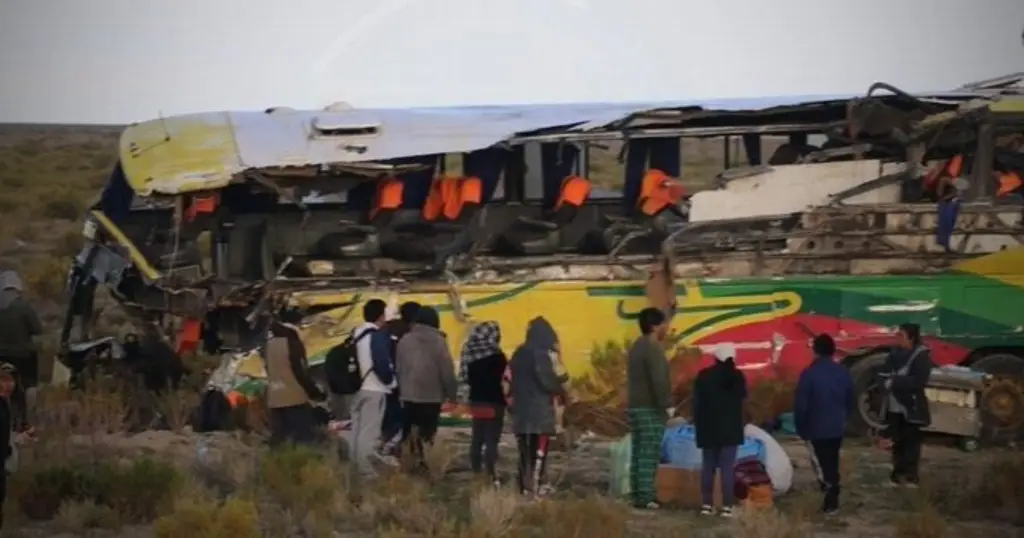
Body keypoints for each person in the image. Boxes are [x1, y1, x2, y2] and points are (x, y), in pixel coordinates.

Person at [794, 334, 855, 516]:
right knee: (832, 460)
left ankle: (831, 500)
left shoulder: (809, 374)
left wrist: (801, 427)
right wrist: (845, 418)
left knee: (822, 464)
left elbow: (801, 405)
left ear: (815, 351)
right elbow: (850, 398)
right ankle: (832, 493)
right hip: (836, 426)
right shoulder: (842, 372)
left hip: (816, 427)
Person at [508, 317, 568, 497]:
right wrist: (560, 389)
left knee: (525, 451)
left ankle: (523, 485)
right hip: (538, 410)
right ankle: (535, 486)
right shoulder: (540, 354)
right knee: (539, 450)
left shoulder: (519, 352)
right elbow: (547, 380)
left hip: (520, 409)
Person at [396, 305, 457, 472]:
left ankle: (408, 464)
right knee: (427, 435)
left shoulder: (404, 340)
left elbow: (399, 369)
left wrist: (402, 391)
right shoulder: (439, 341)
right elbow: (447, 371)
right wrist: (452, 395)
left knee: (409, 433)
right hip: (431, 397)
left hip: (408, 396)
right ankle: (425, 465)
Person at [625, 307, 673, 510]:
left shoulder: (636, 346)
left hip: (635, 406)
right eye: (664, 324)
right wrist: (667, 404)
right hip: (650, 408)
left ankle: (637, 492)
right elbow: (659, 380)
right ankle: (646, 497)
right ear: (655, 326)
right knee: (649, 452)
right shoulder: (653, 349)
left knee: (638, 450)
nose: (666, 328)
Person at [692, 343, 747, 518]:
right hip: (731, 430)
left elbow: (696, 402)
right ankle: (727, 507)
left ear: (715, 357)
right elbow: (743, 402)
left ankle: (706, 505)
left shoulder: (704, 376)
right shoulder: (738, 377)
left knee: (708, 467)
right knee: (727, 469)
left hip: (707, 428)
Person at [264, 311, 326, 447]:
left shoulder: (269, 343)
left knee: (281, 443)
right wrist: (315, 393)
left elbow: (268, 369)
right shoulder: (292, 341)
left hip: (274, 399)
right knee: (304, 442)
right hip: (294, 399)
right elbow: (300, 372)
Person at [349, 298, 397, 477]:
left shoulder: (357, 334)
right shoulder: (376, 336)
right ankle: (366, 472)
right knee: (369, 432)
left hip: (359, 387)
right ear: (381, 315)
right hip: (375, 389)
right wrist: (390, 381)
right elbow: (381, 363)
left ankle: (354, 466)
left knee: (356, 430)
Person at [882, 323, 933, 488]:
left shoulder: (921, 357)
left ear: (911, 338)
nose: (898, 339)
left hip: (911, 406)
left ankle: (911, 477)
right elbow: (884, 372)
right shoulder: (894, 354)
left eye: (901, 336)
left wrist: (895, 381)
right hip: (894, 405)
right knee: (896, 441)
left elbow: (918, 381)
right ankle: (897, 475)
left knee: (911, 442)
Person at [460, 321, 508, 486]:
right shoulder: (498, 356)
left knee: (477, 437)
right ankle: (491, 473)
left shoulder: (468, 351)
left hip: (477, 400)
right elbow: (505, 380)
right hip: (495, 401)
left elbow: (464, 377)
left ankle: (476, 471)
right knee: (491, 439)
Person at [375, 301, 421, 463]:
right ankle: (394, 447)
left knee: (390, 413)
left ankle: (384, 442)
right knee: (405, 417)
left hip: (385, 379)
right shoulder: (411, 333)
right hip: (404, 380)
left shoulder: (388, 328)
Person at [0, 271, 42, 431]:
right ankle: (27, 420)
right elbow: (37, 330)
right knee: (30, 385)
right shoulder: (24, 306)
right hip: (23, 355)